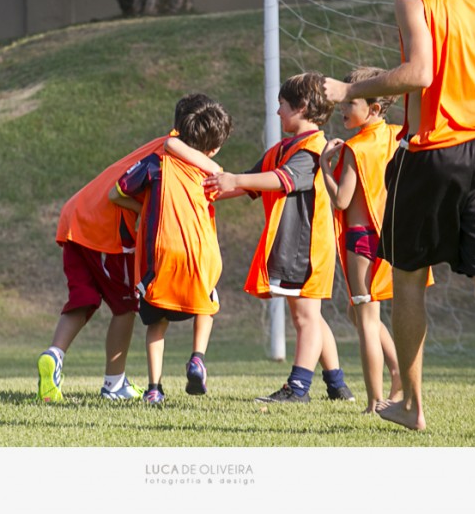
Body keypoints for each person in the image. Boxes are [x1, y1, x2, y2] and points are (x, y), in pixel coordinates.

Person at [323, 0, 475, 435]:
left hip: (434, 152)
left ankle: (411, 405)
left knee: (408, 278)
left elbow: (418, 72)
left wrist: (350, 88)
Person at [37, 93, 222, 403]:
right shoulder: (173, 153)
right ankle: (114, 384)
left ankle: (53, 354)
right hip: (103, 229)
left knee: (82, 300)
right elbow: (214, 170)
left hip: (75, 216)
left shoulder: (169, 143)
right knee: (125, 307)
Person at [200, 71, 355, 403]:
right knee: (310, 315)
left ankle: (298, 388)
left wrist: (235, 179)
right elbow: (250, 181)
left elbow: (280, 179)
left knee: (305, 317)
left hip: (306, 247)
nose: (277, 112)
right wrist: (204, 191)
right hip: (292, 246)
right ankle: (338, 385)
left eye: (282, 105)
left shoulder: (314, 149)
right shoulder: (285, 147)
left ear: (301, 107)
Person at [318, 65, 434, 413]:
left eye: (351, 103)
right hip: (396, 236)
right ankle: (398, 370)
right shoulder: (400, 136)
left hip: (362, 240)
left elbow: (341, 200)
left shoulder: (354, 149)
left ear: (375, 109)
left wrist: (325, 166)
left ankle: (373, 401)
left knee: (365, 319)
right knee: (361, 314)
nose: (343, 109)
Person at [109, 100, 233, 405]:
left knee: (156, 322)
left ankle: (154, 388)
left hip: (161, 254)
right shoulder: (211, 173)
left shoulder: (157, 163)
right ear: (214, 148)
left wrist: (145, 209)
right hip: (200, 253)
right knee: (207, 305)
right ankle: (197, 358)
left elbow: (116, 192)